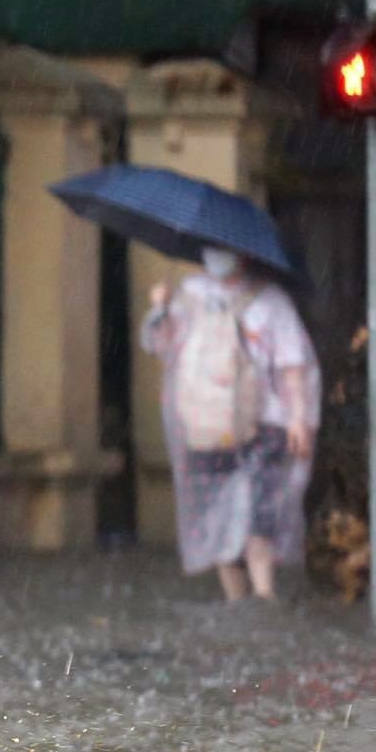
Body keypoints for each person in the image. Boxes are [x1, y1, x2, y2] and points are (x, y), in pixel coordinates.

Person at [141, 245, 319, 602]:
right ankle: (240, 603)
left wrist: (298, 419)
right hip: (208, 420)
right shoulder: (189, 296)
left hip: (264, 421)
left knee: (258, 515)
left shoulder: (269, 300)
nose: (217, 257)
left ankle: (262, 597)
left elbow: (292, 367)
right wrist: (159, 307)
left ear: (244, 255)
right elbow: (160, 345)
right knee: (221, 515)